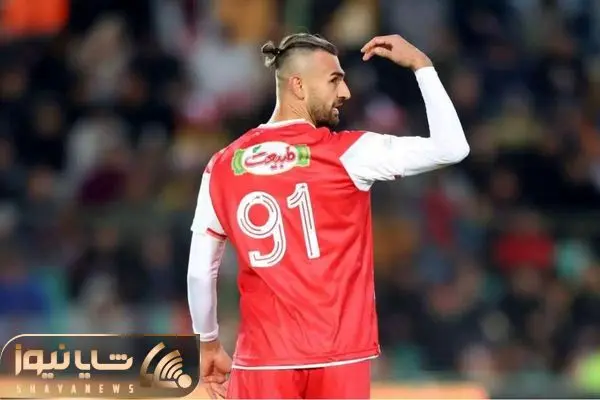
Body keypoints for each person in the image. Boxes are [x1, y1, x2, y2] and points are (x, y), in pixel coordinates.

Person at [187, 33, 470, 399]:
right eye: (335, 80)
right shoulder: (348, 154)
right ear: (298, 85)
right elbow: (452, 147)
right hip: (340, 357)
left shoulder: (221, 165)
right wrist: (421, 65)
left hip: (262, 360)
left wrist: (208, 342)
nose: (346, 92)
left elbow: (200, 272)